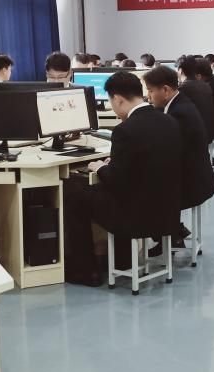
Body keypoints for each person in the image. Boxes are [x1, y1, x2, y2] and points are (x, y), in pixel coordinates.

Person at [62, 72, 182, 286]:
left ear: (117, 99)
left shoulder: (125, 130)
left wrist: (100, 168)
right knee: (107, 193)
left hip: (134, 215)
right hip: (167, 210)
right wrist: (115, 163)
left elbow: (117, 181)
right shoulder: (169, 120)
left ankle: (85, 271)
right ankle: (122, 260)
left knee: (73, 193)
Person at [143, 66, 214, 253]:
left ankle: (170, 234)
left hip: (191, 183)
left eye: (150, 91)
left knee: (142, 189)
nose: (148, 96)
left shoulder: (179, 113)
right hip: (193, 174)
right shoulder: (179, 103)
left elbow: (170, 151)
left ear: (165, 90)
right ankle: (174, 232)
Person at [178, 55, 214, 143]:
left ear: (180, 71)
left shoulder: (183, 89)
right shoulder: (206, 86)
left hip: (196, 138)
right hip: (209, 134)